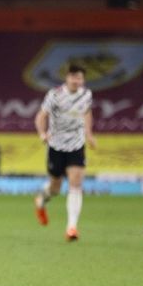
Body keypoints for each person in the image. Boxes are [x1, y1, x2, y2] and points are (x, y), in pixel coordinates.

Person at [33, 64, 96, 241]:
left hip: (77, 144)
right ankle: (41, 200)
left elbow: (87, 114)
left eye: (80, 78)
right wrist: (42, 134)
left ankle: (72, 228)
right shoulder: (55, 95)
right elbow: (41, 116)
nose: (77, 81)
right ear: (67, 77)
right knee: (55, 187)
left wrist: (89, 135)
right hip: (56, 145)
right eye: (74, 77)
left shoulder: (87, 95)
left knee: (76, 183)